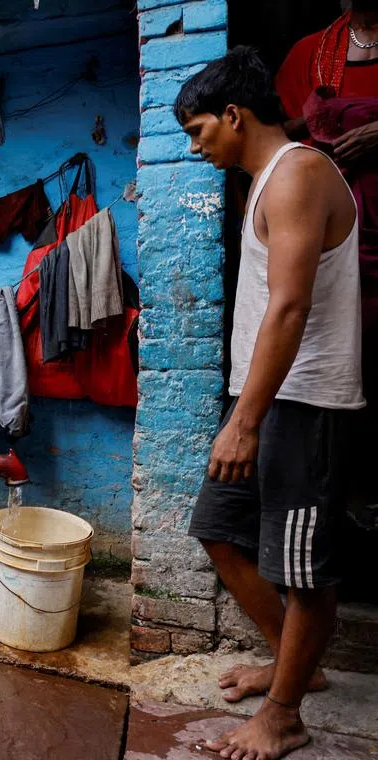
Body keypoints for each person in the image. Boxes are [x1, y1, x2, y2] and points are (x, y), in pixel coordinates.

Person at [177, 47, 364, 760]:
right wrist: (242, 408)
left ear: (235, 114)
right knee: (219, 531)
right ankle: (295, 667)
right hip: (262, 398)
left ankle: (283, 713)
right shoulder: (264, 182)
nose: (198, 149)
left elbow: (288, 306)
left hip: (303, 402)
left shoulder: (300, 172)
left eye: (200, 131)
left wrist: (246, 421)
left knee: (303, 568)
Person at [276, 3, 378, 533]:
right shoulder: (312, 54)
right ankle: (343, 500)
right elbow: (277, 130)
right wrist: (323, 127)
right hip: (340, 236)